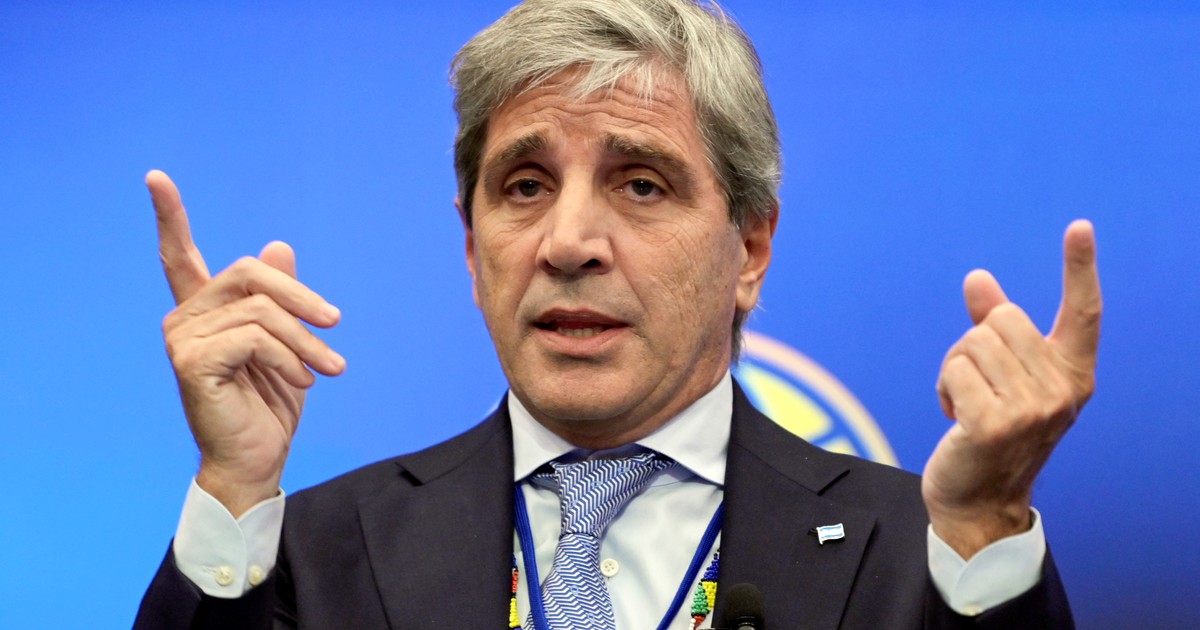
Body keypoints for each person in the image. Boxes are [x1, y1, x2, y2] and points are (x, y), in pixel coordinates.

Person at [134, 0, 1099, 628]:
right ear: (472, 250)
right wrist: (233, 486)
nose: (567, 242)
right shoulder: (315, 551)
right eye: (524, 186)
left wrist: (983, 525)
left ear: (749, 249)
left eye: (641, 183)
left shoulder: (920, 554)